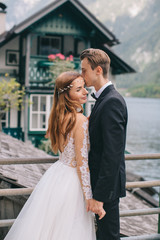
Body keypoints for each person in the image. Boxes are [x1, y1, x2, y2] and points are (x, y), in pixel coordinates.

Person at [4, 71, 101, 240]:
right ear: (67, 94)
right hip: (72, 182)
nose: (85, 92)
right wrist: (89, 197)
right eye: (79, 89)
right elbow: (81, 163)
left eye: (84, 87)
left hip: (57, 174)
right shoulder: (79, 121)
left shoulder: (60, 116)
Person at [80, 48, 128, 240]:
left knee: (109, 237)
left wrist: (99, 196)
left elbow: (112, 154)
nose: (81, 74)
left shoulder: (112, 102)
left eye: (84, 70)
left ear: (98, 70)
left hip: (106, 189)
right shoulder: (104, 99)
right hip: (100, 185)